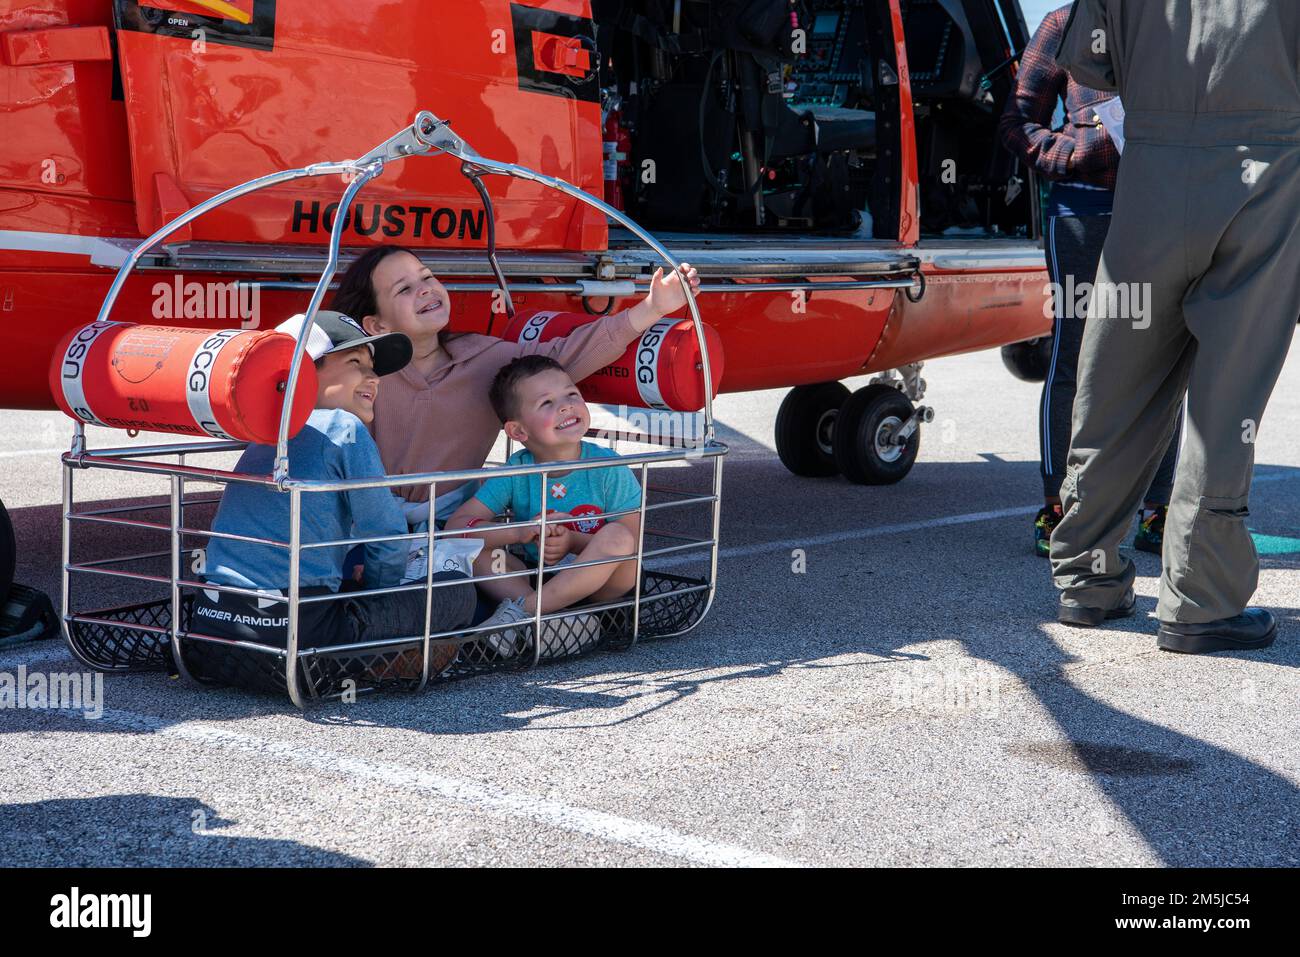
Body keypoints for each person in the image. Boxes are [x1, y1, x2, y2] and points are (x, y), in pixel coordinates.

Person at [1050, 0, 1300, 653]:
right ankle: (1201, 600)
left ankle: (1088, 579)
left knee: (1114, 381)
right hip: (1268, 174)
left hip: (1152, 175)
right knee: (1226, 398)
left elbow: (1086, 61)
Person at [189, 311, 475, 681]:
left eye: (373, 368)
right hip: (302, 642)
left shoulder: (264, 434)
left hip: (211, 635)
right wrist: (381, 598)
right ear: (300, 372)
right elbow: (387, 539)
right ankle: (378, 663)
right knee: (457, 592)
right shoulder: (343, 427)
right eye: (355, 362)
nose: (373, 378)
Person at [329, 245, 699, 523]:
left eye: (427, 277)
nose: (425, 289)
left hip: (453, 521)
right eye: (404, 289)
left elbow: (570, 353)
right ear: (377, 325)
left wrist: (653, 307)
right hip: (366, 523)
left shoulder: (487, 357)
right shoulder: (364, 373)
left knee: (458, 596)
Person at [998, 3, 1181, 558]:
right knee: (1074, 359)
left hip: (1161, 213)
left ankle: (1160, 508)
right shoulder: (1063, 23)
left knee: (1162, 357)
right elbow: (1017, 120)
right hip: (1083, 215)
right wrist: (1072, 152)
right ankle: (1059, 504)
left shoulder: (1176, 22)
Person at [445, 356, 643, 654]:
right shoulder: (517, 471)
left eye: (571, 394)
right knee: (475, 552)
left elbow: (631, 543)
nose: (565, 405)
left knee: (618, 536)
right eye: (546, 403)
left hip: (604, 586)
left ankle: (523, 615)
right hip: (537, 576)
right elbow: (457, 527)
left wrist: (573, 541)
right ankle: (555, 626)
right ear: (518, 432)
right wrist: (521, 531)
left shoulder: (608, 468)